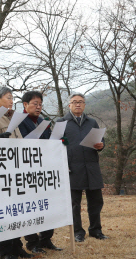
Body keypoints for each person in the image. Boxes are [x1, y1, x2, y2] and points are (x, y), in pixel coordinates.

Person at [57, 93, 107, 242]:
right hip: (72, 168)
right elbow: (54, 144)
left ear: (85, 105)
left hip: (91, 166)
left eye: (81, 102)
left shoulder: (92, 122)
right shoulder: (61, 122)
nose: (78, 104)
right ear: (69, 105)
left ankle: (96, 230)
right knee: (74, 203)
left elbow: (101, 140)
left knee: (96, 201)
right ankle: (78, 232)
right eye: (75, 102)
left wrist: (101, 145)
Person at [17, 91, 61, 254]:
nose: (38, 107)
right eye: (35, 103)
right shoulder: (19, 121)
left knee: (47, 205)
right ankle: (32, 242)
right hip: (27, 170)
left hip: (44, 169)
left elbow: (49, 140)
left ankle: (46, 238)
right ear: (25, 104)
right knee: (30, 207)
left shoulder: (43, 121)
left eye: (40, 104)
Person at [0, 88, 31, 259]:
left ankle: (17, 247)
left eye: (12, 98)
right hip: (2, 172)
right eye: (8, 98)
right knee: (5, 213)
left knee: (17, 212)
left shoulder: (13, 118)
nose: (11, 101)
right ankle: (6, 251)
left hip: (17, 170)